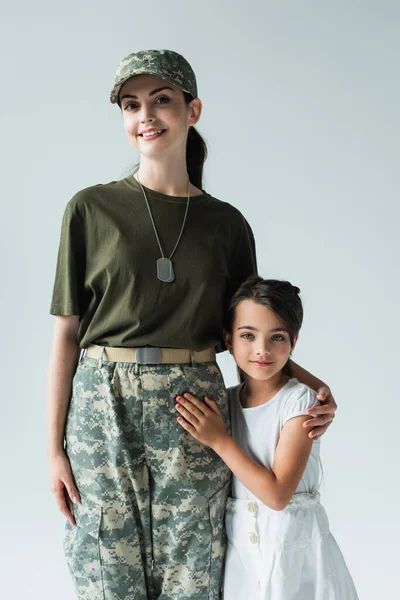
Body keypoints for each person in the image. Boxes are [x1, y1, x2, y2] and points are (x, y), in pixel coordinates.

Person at [47, 50, 337, 600]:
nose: (146, 116)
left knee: (195, 566)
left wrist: (311, 386)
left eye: (162, 100)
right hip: (101, 404)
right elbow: (65, 335)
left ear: (192, 110)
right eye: (131, 105)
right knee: (105, 566)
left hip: (194, 406)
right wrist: (54, 451)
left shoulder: (226, 224)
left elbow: (250, 333)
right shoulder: (90, 209)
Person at [175, 276, 359, 599]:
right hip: (244, 559)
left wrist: (219, 441)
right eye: (248, 335)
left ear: (293, 343)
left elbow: (277, 495)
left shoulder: (299, 403)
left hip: (296, 555)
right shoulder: (227, 401)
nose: (262, 349)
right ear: (228, 340)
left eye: (277, 337)